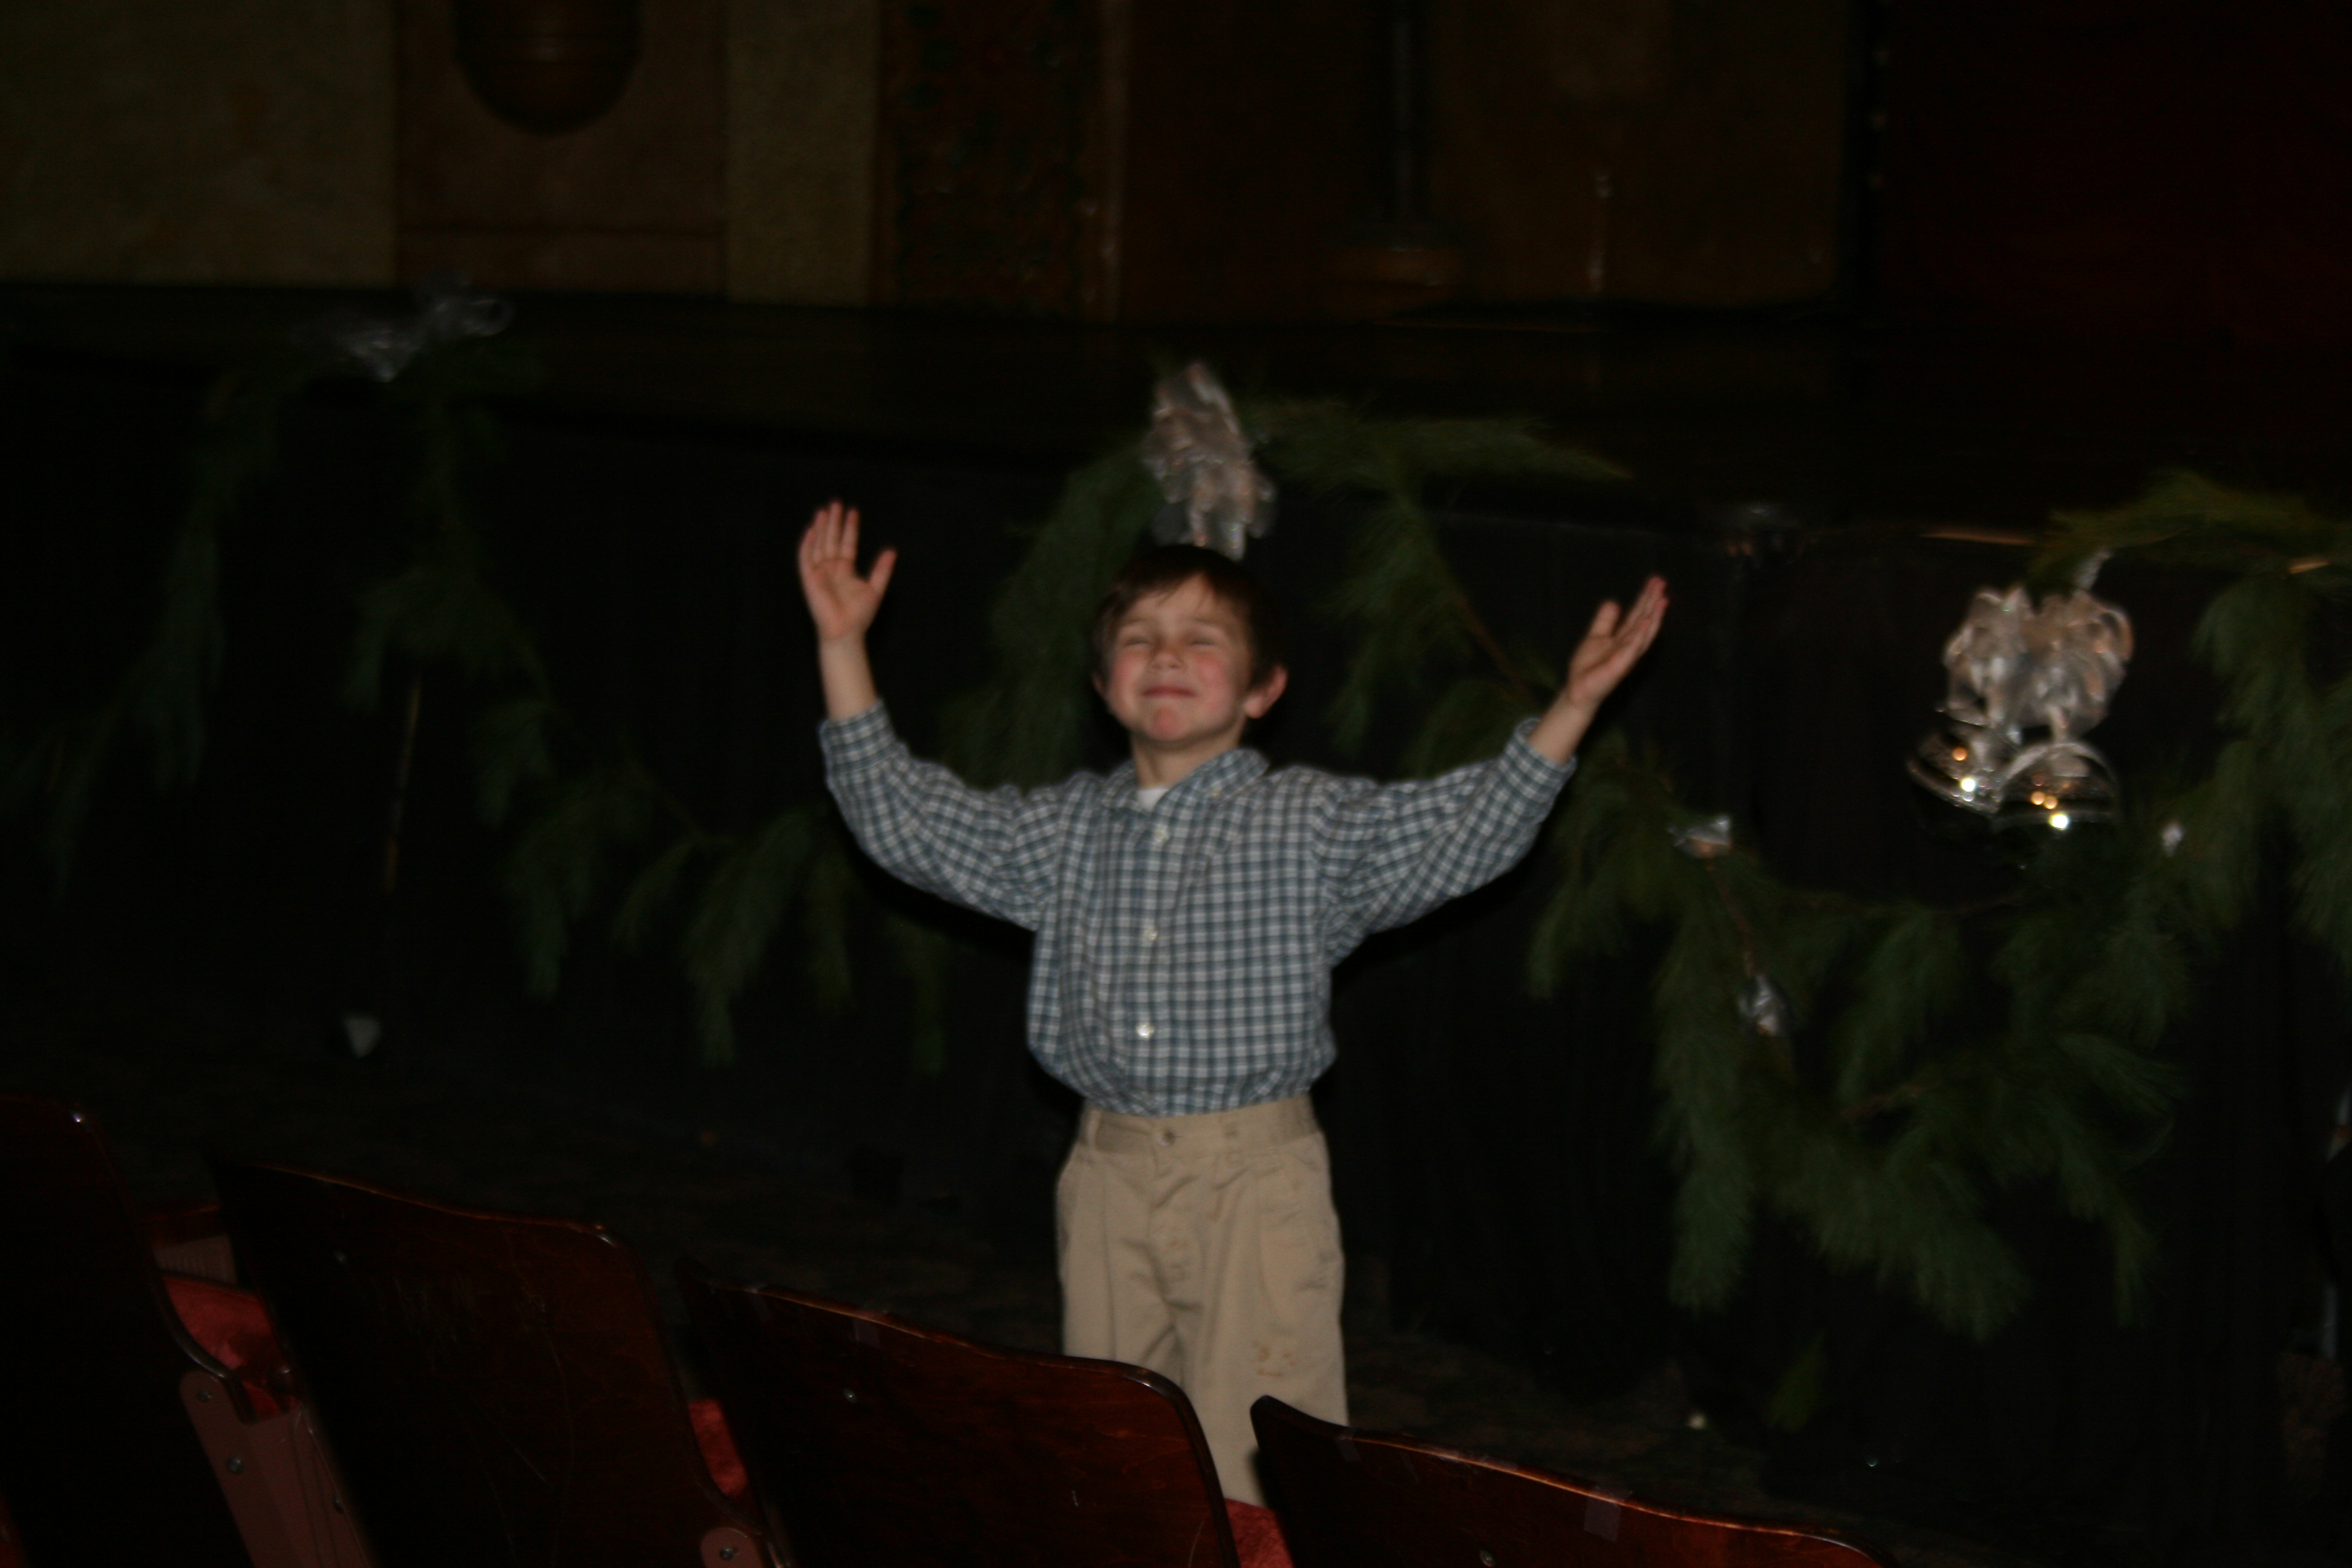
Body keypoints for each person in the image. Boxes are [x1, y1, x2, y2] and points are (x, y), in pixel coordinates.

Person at [799, 499, 1666, 1503]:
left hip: (1253, 1185)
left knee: (1260, 1462)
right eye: (1139, 638)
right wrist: (842, 646)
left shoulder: (1307, 825)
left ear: (1264, 688)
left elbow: (1464, 833)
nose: (1166, 654)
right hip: (1109, 1173)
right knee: (1115, 1451)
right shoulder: (1064, 831)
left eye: (1202, 639)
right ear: (1103, 685)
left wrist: (1571, 710)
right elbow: (904, 821)